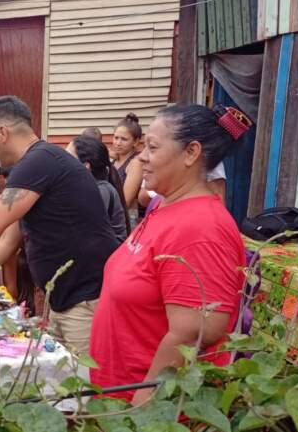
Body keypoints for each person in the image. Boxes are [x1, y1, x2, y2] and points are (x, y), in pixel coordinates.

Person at [0, 96, 120, 354]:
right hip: (63, 299)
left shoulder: (38, 162)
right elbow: (6, 242)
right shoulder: (38, 165)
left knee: (86, 385)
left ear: (3, 132)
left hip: (84, 300)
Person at [89, 104, 248, 405]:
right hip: (116, 398)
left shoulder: (201, 227)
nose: (142, 157)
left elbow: (195, 331)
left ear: (191, 153)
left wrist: (142, 406)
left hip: (151, 411)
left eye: (152, 147)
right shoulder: (165, 206)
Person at [67, 136, 130, 242]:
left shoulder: (101, 191)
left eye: (67, 158)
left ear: (86, 166)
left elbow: (81, 229)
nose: (62, 161)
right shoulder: (86, 188)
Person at [111, 113, 144, 222]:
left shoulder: (135, 163)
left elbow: (126, 201)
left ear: (136, 141)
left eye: (124, 139)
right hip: (111, 215)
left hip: (126, 219)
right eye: (116, 138)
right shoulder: (114, 160)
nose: (118, 143)